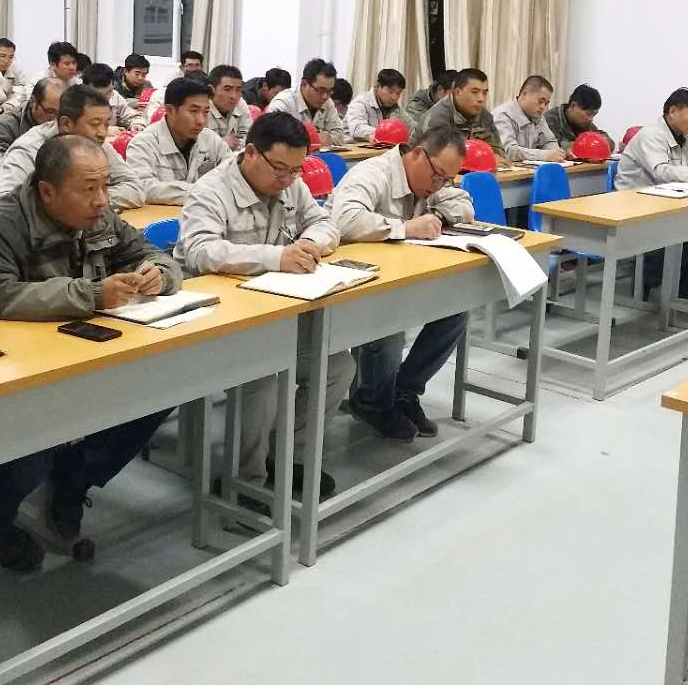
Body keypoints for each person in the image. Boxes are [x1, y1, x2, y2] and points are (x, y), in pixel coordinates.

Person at [0, 134, 181, 548]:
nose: (102, 200)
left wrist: (159, 273)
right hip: (23, 367)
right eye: (89, 189)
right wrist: (90, 294)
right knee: (28, 456)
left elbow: (149, 253)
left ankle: (74, 478)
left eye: (105, 186)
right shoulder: (0, 225)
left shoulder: (99, 215)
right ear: (47, 191)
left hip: (89, 350)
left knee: (164, 384)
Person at [176, 112, 349, 504]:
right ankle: (243, 481)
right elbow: (201, 251)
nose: (288, 179)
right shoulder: (211, 190)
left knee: (339, 366)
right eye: (279, 169)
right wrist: (275, 257)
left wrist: (311, 243)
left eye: (296, 170)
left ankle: (289, 458)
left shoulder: (291, 183)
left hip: (272, 315)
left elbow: (326, 223)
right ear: (251, 152)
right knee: (263, 378)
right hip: (216, 322)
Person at [331, 125, 475, 440]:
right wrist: (406, 227)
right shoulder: (373, 173)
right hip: (354, 281)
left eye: (446, 180)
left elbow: (465, 204)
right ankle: (372, 402)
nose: (440, 185)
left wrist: (438, 216)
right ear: (418, 155)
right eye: (438, 176)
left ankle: (404, 391)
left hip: (401, 275)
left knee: (456, 309)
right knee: (390, 322)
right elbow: (345, 220)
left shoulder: (433, 180)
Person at [615, 87, 688, 300]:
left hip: (666, 202)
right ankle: (645, 278)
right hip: (636, 205)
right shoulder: (651, 136)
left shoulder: (684, 138)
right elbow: (662, 171)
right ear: (673, 111)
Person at [0, 85, 136, 207]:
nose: (102, 133)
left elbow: (134, 187)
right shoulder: (28, 150)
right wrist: (73, 204)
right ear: (66, 124)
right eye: (95, 124)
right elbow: (4, 207)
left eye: (106, 124)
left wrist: (90, 201)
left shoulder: (96, 144)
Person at [120, 76, 231, 206]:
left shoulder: (211, 139)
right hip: (162, 217)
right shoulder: (143, 143)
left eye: (206, 112)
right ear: (170, 110)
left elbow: (234, 174)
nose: (201, 121)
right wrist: (202, 191)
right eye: (194, 111)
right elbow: (142, 187)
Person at [411, 68, 504, 157]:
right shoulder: (438, 117)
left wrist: (493, 157)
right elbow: (438, 159)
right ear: (457, 92)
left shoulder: (483, 114)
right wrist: (484, 157)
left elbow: (498, 150)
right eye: (475, 92)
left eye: (485, 93)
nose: (481, 99)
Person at [267, 58, 348, 146]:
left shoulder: (327, 102)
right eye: (320, 90)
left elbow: (340, 136)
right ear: (304, 84)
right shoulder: (283, 103)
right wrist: (316, 137)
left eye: (329, 91)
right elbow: (275, 140)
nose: (325, 96)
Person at [492, 76, 567, 162]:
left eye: (546, 103)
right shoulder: (503, 115)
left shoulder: (539, 117)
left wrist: (556, 154)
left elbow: (549, 141)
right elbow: (507, 151)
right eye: (540, 101)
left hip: (527, 169)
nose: (543, 107)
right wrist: (544, 155)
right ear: (525, 94)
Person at [0, 77, 64, 153]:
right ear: (33, 102)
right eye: (50, 112)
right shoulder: (6, 125)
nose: (55, 119)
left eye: (60, 113)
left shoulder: (65, 122)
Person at [545, 84, 612, 153]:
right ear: (573, 106)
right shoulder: (549, 120)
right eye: (588, 113)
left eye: (594, 115)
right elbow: (551, 147)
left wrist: (603, 141)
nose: (590, 119)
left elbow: (608, 141)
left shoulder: (586, 123)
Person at [345, 69, 406, 142]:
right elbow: (357, 128)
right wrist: (388, 132)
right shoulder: (361, 101)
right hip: (351, 147)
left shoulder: (396, 108)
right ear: (377, 86)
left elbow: (412, 129)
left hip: (377, 148)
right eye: (390, 91)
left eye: (398, 93)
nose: (394, 97)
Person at [206, 64, 252, 149]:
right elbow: (196, 147)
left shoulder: (240, 104)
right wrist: (220, 144)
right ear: (211, 90)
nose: (234, 96)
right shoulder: (202, 108)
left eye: (238, 90)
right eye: (227, 89)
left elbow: (249, 139)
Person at [81, 62, 135, 127]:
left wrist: (137, 124)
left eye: (109, 92)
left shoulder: (114, 96)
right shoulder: (76, 102)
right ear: (86, 89)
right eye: (99, 95)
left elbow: (131, 115)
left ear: (113, 85)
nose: (105, 98)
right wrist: (107, 130)